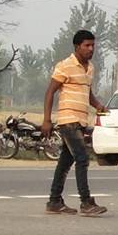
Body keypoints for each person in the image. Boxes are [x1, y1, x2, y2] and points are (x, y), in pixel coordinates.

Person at [39, 29, 108, 216]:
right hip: (68, 120)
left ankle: (54, 201)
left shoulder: (90, 68)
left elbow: (88, 93)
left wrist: (98, 106)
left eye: (93, 45)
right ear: (77, 47)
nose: (91, 49)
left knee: (65, 161)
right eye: (87, 45)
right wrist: (46, 119)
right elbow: (49, 92)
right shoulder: (65, 66)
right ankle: (86, 203)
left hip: (81, 120)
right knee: (82, 158)